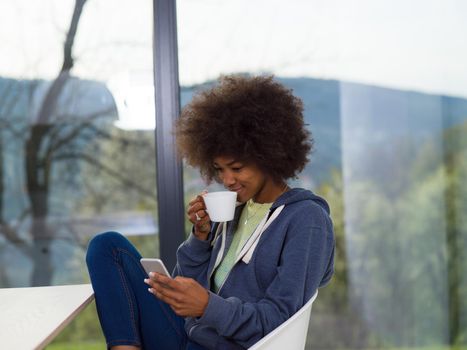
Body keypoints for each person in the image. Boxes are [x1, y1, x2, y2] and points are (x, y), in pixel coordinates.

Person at [86, 74, 335, 350]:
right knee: (106, 247)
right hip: (190, 335)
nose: (227, 180)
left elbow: (279, 322)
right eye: (219, 169)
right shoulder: (235, 209)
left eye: (237, 168)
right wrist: (200, 238)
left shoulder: (306, 220)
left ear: (270, 155)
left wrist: (207, 306)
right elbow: (188, 288)